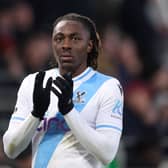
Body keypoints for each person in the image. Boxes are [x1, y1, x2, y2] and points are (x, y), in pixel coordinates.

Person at [3, 13, 124, 168]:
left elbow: (107, 154)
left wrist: (69, 111)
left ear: (90, 45)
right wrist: (36, 114)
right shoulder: (33, 83)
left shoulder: (108, 86)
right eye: (59, 38)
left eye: (75, 38)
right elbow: (11, 149)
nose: (66, 45)